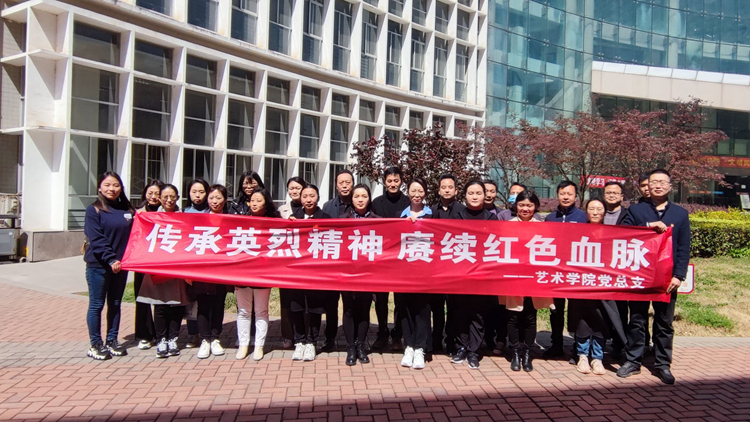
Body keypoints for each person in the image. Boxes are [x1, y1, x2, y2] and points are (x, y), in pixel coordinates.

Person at [617, 169, 690, 385]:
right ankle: (633, 360)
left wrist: (679, 276)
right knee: (637, 320)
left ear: (670, 187)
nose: (658, 186)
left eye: (662, 182)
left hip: (666, 278)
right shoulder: (636, 210)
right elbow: (623, 233)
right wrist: (648, 226)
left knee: (664, 322)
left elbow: (683, 247)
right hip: (640, 274)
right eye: (654, 182)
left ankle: (662, 364)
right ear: (647, 186)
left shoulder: (680, 214)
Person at [568, 198, 626, 376]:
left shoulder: (612, 233)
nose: (595, 212)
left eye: (599, 209)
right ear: (586, 211)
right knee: (582, 321)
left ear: (605, 212)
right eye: (591, 209)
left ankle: (597, 357)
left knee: (602, 321)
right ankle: (582, 356)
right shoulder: (577, 232)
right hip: (581, 284)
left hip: (603, 284)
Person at [498, 189, 553, 372]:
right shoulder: (507, 226)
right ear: (516, 206)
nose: (525, 209)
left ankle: (528, 353)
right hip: (513, 277)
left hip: (533, 278)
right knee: (513, 316)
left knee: (530, 316)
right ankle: (515, 351)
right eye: (521, 205)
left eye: (529, 205)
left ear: (535, 206)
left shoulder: (543, 227)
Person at [83, 172, 135, 360]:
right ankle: (95, 344)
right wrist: (111, 259)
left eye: (115, 185)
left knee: (115, 303)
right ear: (99, 187)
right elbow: (96, 239)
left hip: (121, 266)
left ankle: (112, 340)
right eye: (107, 185)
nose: (111, 189)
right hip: (99, 265)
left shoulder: (128, 210)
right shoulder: (93, 210)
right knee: (97, 305)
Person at [136, 184, 190, 358]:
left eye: (172, 196)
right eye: (165, 197)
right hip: (158, 266)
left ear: (178, 198)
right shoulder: (150, 217)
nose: (169, 200)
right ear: (159, 198)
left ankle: (173, 338)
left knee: (176, 305)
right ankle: (161, 340)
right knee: (159, 305)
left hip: (177, 267)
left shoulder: (184, 217)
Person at [450, 180, 498, 369]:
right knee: (460, 312)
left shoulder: (491, 219)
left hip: (481, 275)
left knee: (478, 315)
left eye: (478, 193)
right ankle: (461, 347)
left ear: (485, 195)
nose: (475, 196)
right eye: (471, 193)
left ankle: (474, 350)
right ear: (465, 195)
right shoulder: (457, 216)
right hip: (460, 274)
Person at [543, 180, 588, 360]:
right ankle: (556, 345)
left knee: (577, 310)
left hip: (576, 271)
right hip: (555, 270)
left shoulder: (583, 217)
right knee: (555, 310)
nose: (566, 197)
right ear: (558, 195)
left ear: (576, 196)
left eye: (569, 194)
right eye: (562, 193)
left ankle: (578, 346)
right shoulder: (550, 218)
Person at [291, 185, 333, 361]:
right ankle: (299, 341)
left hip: (317, 271)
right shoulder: (293, 218)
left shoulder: (326, 218)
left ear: (318, 197)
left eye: (312, 196)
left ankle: (311, 343)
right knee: (297, 306)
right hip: (297, 271)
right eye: (305, 196)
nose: (308, 199)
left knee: (315, 307)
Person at [370, 167, 410, 352]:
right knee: (381, 299)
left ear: (401, 181)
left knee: (401, 299)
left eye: (396, 180)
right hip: (381, 257)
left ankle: (397, 335)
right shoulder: (376, 203)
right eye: (389, 181)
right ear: (384, 182)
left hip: (402, 258)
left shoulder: (408, 202)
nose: (393, 184)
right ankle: (382, 333)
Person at [235, 188, 277, 361]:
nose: (254, 204)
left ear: (266, 203)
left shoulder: (274, 222)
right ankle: (243, 344)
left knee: (261, 311)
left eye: (258, 200)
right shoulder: (241, 221)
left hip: (263, 273)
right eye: (252, 200)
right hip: (243, 272)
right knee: (243, 311)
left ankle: (259, 345)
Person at [340, 184, 379, 366]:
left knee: (364, 309)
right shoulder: (342, 220)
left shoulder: (379, 221)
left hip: (369, 273)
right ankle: (350, 347)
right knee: (348, 309)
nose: (360, 199)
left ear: (369, 199)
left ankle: (361, 346)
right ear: (352, 199)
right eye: (357, 196)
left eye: (364, 196)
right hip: (347, 272)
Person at [192, 184, 230, 359]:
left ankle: (215, 337)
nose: (215, 201)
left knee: (218, 304)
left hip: (222, 270)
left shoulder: (232, 220)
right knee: (203, 305)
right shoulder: (199, 219)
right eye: (211, 198)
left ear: (225, 199)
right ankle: (204, 340)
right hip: (203, 269)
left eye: (218, 198)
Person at [398, 178, 433, 369]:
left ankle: (420, 348)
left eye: (420, 191)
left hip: (425, 272)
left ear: (425, 193)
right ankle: (409, 346)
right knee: (405, 310)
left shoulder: (432, 215)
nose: (416, 194)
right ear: (408, 192)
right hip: (404, 272)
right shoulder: (400, 215)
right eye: (413, 190)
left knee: (422, 310)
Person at [430, 174, 465, 355]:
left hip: (455, 266)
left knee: (454, 307)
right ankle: (435, 340)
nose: (446, 190)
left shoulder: (462, 211)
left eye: (450, 187)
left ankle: (451, 342)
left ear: (456, 190)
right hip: (436, 267)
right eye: (443, 187)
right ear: (438, 190)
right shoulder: (431, 211)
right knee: (436, 307)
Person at [320, 170, 355, 352]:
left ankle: (354, 339)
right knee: (331, 303)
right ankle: (330, 337)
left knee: (351, 304)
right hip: (333, 262)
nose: (344, 186)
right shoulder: (328, 206)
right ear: (336, 185)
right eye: (341, 182)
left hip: (353, 262)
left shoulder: (360, 202)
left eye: (348, 182)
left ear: (353, 184)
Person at [278, 176, 307, 349]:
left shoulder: (311, 208)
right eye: (291, 188)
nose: (294, 191)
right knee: (286, 300)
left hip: (305, 263)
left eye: (298, 188)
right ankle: (288, 336)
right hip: (286, 263)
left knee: (304, 300)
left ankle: (304, 335)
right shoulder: (281, 210)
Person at [602, 181, 630, 359]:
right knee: (601, 308)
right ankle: (600, 344)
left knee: (620, 309)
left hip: (620, 269)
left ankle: (620, 345)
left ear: (621, 197)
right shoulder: (597, 212)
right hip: (599, 268)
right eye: (608, 192)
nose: (611, 195)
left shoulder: (629, 215)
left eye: (615, 193)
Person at [182, 179, 210, 348]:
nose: (197, 195)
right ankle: (194, 334)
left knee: (206, 301)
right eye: (194, 192)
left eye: (201, 192)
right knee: (191, 300)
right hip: (190, 262)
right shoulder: (183, 213)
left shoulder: (212, 211)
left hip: (208, 263)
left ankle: (208, 333)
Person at [133, 180, 161, 350]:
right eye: (150, 193)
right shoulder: (138, 213)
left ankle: (161, 333)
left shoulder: (170, 213)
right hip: (142, 262)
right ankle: (144, 334)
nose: (153, 197)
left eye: (157, 193)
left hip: (161, 262)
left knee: (161, 298)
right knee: (142, 298)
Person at [482, 179, 507, 355]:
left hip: (496, 265)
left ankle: (498, 339)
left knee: (497, 306)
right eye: (486, 191)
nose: (489, 194)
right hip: (477, 265)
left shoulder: (501, 215)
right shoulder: (469, 213)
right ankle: (485, 337)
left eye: (492, 191)